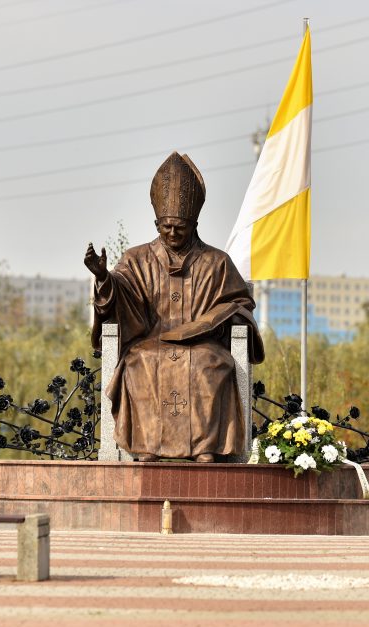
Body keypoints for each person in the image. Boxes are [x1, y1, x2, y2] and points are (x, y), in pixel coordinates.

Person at [84, 152, 264, 462]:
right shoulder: (136, 258)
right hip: (149, 342)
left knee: (210, 365)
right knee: (140, 364)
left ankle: (205, 448)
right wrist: (104, 278)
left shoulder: (217, 261)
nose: (172, 233)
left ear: (193, 223)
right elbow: (121, 293)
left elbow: (241, 303)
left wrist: (216, 319)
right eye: (166, 226)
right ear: (157, 223)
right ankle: (148, 446)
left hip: (203, 344)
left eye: (179, 227)